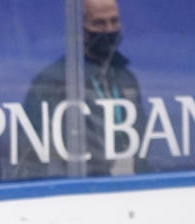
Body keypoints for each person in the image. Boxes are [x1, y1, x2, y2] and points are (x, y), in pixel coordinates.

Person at [15, 0, 146, 178]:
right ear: (80, 28)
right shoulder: (53, 81)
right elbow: (31, 153)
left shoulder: (126, 78)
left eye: (114, 21)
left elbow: (141, 143)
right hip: (77, 189)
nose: (109, 29)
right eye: (99, 23)